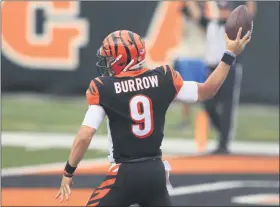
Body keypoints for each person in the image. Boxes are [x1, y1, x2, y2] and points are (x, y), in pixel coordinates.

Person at [55, 29, 251, 206]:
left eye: (109, 57)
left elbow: (85, 135)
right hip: (156, 172)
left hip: (124, 173)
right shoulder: (163, 78)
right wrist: (229, 54)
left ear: (121, 59)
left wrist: (68, 171)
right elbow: (208, 90)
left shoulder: (104, 88)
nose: (106, 62)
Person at [203, 1, 256, 154]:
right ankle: (223, 133)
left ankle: (224, 143)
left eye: (226, 9)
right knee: (208, 104)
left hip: (229, 68)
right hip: (212, 68)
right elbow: (196, 14)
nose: (223, 12)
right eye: (221, 9)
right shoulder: (211, 22)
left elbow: (249, 16)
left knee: (227, 107)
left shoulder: (235, 26)